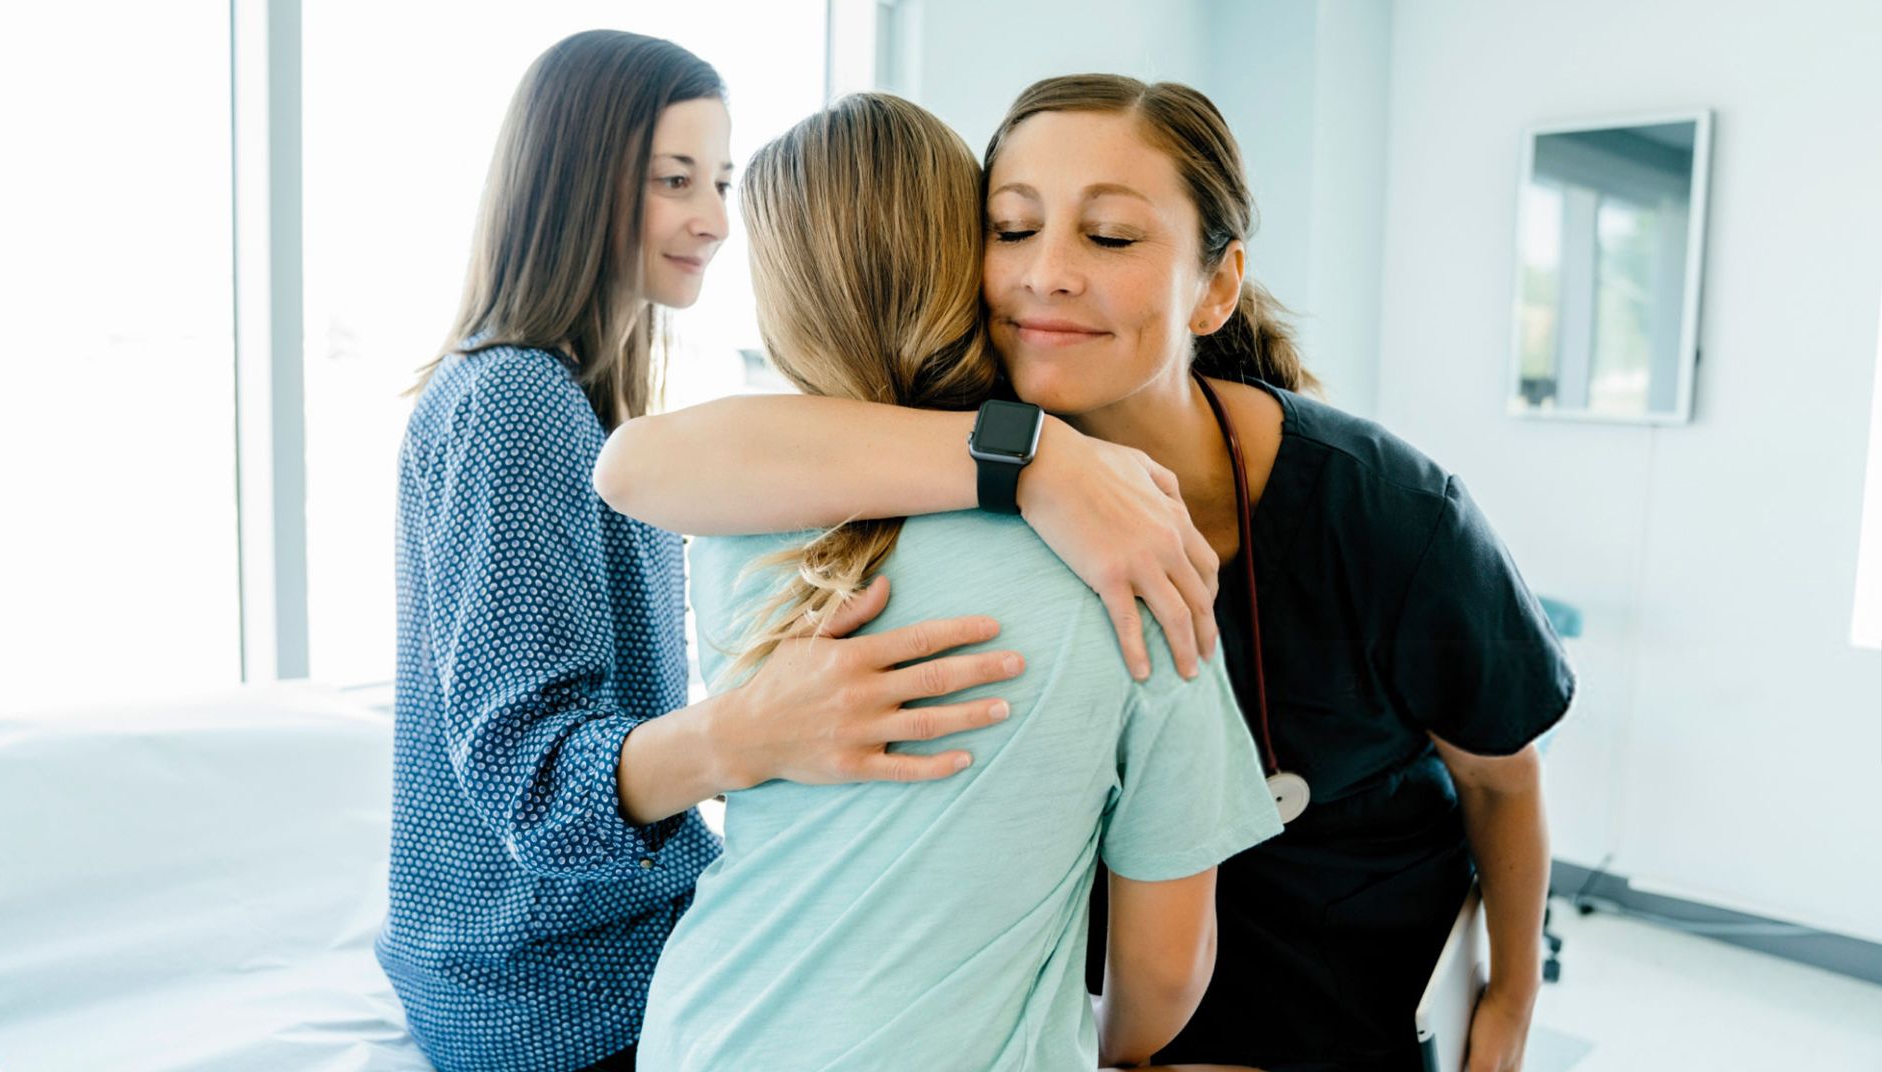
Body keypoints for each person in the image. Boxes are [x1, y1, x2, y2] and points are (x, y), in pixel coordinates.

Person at [599, 75, 1575, 1072]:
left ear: (1216, 286)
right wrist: (1036, 461)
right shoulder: (934, 469)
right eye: (1011, 229)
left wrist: (1505, 999)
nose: (1046, 274)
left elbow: (1500, 781)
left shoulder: (1387, 513)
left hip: (1343, 1006)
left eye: (1109, 238)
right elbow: (638, 466)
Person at [381, 32, 1051, 1072]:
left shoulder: (568, 401)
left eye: (723, 182)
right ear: (571, 183)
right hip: (555, 997)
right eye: (673, 180)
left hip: (574, 954)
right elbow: (535, 785)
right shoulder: (516, 400)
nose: (712, 220)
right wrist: (751, 732)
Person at [632, 92, 1284, 1072]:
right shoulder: (1133, 564)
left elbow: (637, 465)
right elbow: (1164, 969)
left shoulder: (739, 528)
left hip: (705, 1031)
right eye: (1014, 228)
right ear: (969, 257)